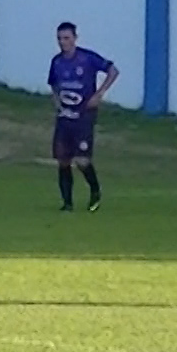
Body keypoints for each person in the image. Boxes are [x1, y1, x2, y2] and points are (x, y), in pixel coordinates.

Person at [48, 22, 118, 212]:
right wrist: (56, 101)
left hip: (84, 115)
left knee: (82, 160)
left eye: (67, 38)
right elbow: (53, 83)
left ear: (75, 38)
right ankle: (67, 203)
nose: (63, 43)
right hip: (65, 116)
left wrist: (99, 94)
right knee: (63, 160)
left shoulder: (87, 59)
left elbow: (113, 70)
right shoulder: (57, 62)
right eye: (60, 39)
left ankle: (95, 190)